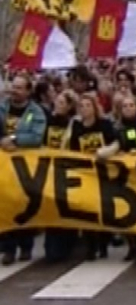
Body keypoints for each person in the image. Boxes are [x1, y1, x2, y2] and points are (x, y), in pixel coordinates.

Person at [0, 75, 47, 266]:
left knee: (25, 205)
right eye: (14, 87)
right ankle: (8, 248)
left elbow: (36, 137)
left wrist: (14, 140)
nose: (15, 90)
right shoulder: (2, 107)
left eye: (19, 88)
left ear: (28, 91)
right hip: (4, 167)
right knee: (5, 206)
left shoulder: (36, 112)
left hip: (25, 167)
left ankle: (26, 246)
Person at [69, 93, 120, 261]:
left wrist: (105, 152)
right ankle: (90, 246)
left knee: (103, 209)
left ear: (94, 107)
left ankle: (103, 244)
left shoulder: (104, 124)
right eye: (81, 106)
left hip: (104, 171)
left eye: (88, 105)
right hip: (85, 173)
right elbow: (73, 149)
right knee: (87, 209)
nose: (84, 109)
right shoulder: (76, 127)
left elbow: (116, 142)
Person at [43, 90, 79, 262]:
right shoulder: (47, 121)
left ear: (69, 106)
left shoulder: (74, 124)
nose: (57, 106)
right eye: (56, 102)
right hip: (49, 169)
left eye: (62, 103)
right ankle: (51, 247)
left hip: (68, 170)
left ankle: (67, 244)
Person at [114, 95, 136, 261]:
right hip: (123, 174)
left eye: (131, 105)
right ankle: (131, 244)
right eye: (125, 106)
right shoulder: (117, 129)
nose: (128, 108)